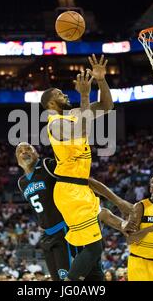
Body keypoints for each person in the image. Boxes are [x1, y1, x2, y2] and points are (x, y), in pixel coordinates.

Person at [40, 54, 114, 281]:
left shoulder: (72, 115)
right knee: (94, 248)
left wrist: (100, 80)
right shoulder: (55, 124)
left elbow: (106, 106)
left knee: (94, 265)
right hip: (70, 191)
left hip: (80, 189)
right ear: (51, 103)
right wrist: (84, 95)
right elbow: (81, 131)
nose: (65, 95)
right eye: (60, 94)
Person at [16, 142, 132, 281]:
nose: (24, 152)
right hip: (47, 235)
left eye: (28, 149)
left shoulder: (48, 165)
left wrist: (118, 202)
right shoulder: (21, 182)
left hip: (67, 229)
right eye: (20, 151)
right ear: (17, 159)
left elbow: (83, 181)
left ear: (36, 152)